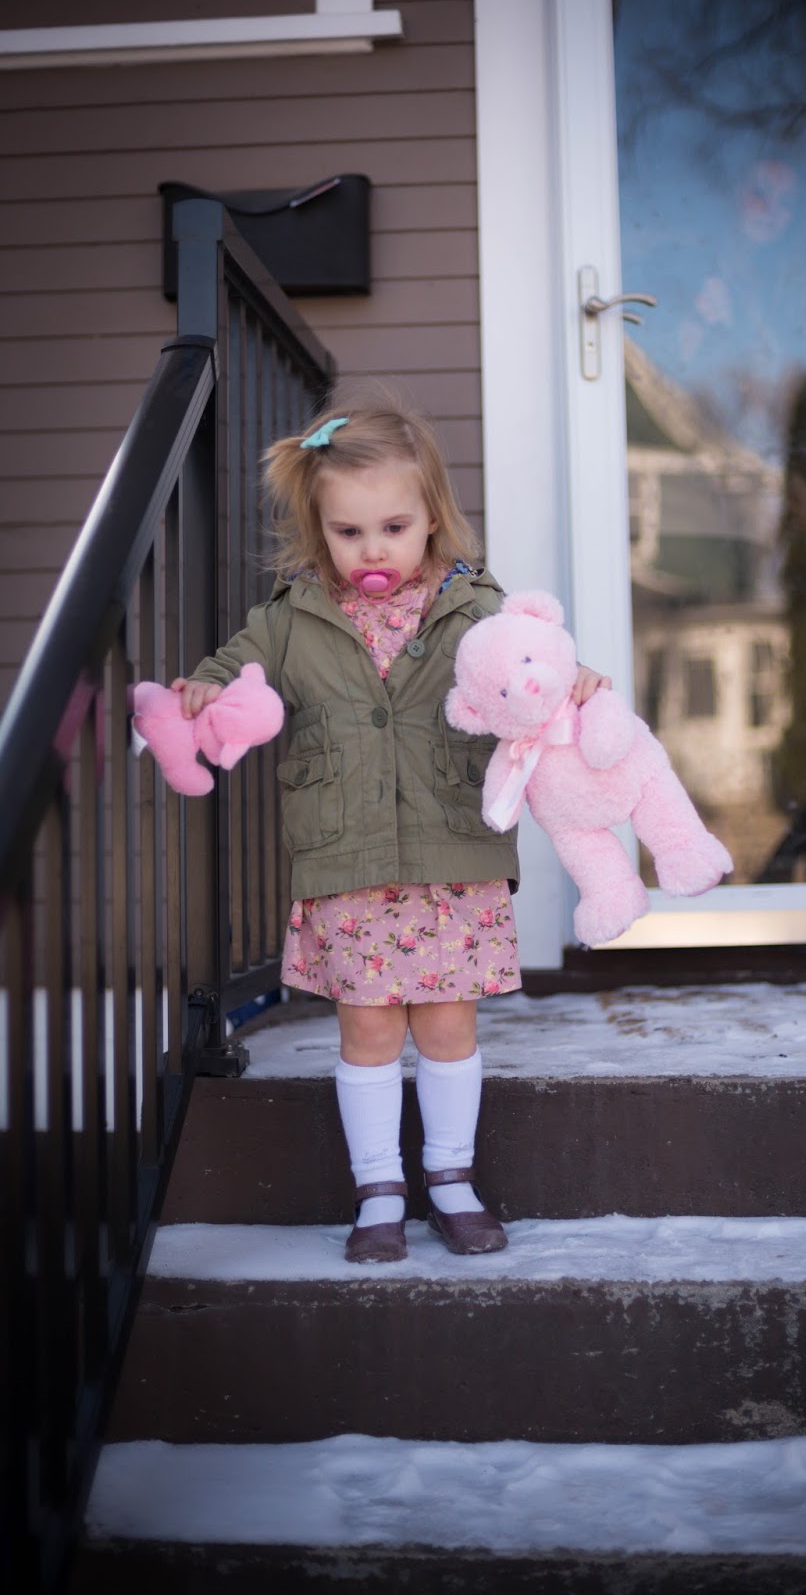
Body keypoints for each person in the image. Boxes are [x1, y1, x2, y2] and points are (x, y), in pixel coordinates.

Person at [172, 393, 609, 1264]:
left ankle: (451, 1178)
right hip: (350, 858)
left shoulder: (475, 607)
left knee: (446, 1024)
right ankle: (378, 1186)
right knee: (369, 1030)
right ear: (320, 530)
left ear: (433, 517)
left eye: (394, 528)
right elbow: (235, 665)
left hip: (452, 853)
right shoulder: (292, 618)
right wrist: (207, 688)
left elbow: (530, 667)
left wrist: (575, 680)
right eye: (348, 532)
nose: (372, 550)